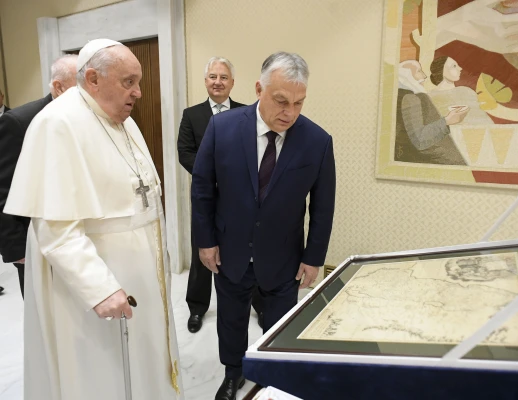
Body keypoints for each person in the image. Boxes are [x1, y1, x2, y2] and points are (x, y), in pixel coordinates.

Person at [4, 39, 182, 400]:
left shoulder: (121, 120)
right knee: (100, 375)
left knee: (144, 364)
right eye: (129, 81)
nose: (139, 92)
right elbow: (56, 229)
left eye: (138, 82)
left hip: (140, 277)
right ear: (93, 78)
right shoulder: (57, 123)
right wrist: (99, 287)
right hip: (93, 288)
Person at [192, 51, 336, 400]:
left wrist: (314, 257)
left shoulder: (317, 141)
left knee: (279, 325)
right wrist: (206, 241)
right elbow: (202, 188)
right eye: (281, 100)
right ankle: (233, 373)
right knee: (231, 319)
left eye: (299, 103)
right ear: (259, 88)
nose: (289, 112)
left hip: (284, 255)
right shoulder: (222, 127)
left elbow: (323, 205)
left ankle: (272, 380)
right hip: (230, 248)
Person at [178, 56, 263, 333]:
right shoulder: (191, 115)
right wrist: (210, 175)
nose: (218, 82)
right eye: (213, 77)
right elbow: (185, 153)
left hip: (238, 199)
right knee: (203, 251)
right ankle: (197, 307)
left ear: (232, 83)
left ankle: (258, 305)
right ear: (205, 82)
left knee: (248, 252)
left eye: (223, 77)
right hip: (205, 197)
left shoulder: (247, 113)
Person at [0, 54, 78, 298]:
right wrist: (17, 248)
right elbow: (4, 189)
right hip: (36, 243)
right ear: (58, 86)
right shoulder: (19, 122)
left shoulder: (86, 116)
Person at [394, 60, 468, 165]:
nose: (424, 76)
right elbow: (419, 140)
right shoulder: (410, 98)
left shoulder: (402, 95)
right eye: (419, 71)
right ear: (407, 76)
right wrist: (447, 121)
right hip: (428, 159)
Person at [428, 56, 494, 125]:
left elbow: (483, 120)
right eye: (454, 66)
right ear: (442, 70)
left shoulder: (466, 91)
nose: (460, 68)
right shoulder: (429, 96)